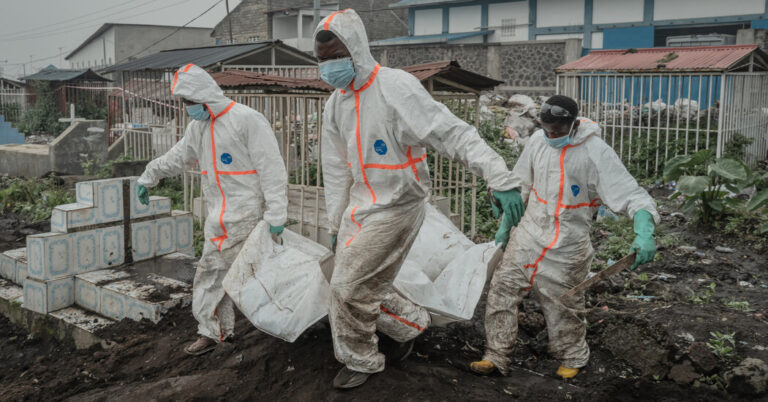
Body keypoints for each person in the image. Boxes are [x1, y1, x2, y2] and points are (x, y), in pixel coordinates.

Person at [313, 9, 524, 389]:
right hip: (360, 206)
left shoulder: (395, 87)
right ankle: (410, 323)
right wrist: (334, 221)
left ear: (357, 49)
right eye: (322, 60)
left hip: (397, 206)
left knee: (348, 289)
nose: (329, 67)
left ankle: (362, 358)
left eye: (336, 56)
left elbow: (452, 133)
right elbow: (335, 167)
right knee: (345, 281)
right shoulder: (336, 104)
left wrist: (499, 175)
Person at [470, 95, 659, 379]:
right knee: (502, 289)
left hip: (568, 244)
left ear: (573, 125)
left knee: (563, 303)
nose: (551, 136)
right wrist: (506, 226)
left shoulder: (595, 152)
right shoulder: (537, 141)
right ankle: (496, 355)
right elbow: (520, 185)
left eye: (556, 132)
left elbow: (631, 195)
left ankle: (572, 355)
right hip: (530, 233)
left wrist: (644, 232)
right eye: (546, 130)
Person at [135, 64, 288, 356]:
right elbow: (178, 157)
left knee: (260, 276)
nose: (188, 108)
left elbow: (272, 169)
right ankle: (214, 332)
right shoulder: (199, 128)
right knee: (212, 274)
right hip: (218, 219)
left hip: (248, 217)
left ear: (205, 96)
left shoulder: (246, 120)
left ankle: (296, 321)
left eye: (190, 102)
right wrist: (150, 174)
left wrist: (276, 216)